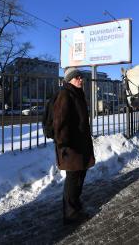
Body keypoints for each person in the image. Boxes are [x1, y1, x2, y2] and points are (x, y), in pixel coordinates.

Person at [53, 67, 95, 224]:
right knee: (72, 179)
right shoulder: (65, 94)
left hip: (80, 144)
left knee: (79, 177)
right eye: (77, 77)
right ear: (69, 79)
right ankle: (70, 214)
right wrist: (64, 144)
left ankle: (75, 205)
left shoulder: (77, 93)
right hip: (70, 147)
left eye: (81, 77)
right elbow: (59, 122)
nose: (81, 79)